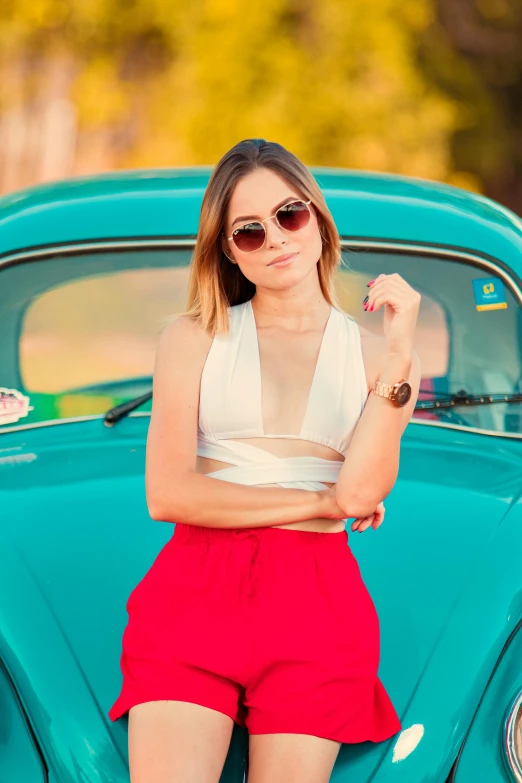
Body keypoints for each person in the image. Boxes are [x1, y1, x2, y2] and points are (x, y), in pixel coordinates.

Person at [108, 138, 422, 783]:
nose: (276, 238)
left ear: (316, 216)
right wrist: (318, 500)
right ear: (228, 249)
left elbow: (361, 493)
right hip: (194, 591)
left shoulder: (377, 362)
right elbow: (168, 495)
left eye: (289, 215)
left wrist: (400, 356)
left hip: (318, 606)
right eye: (248, 231)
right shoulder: (193, 336)